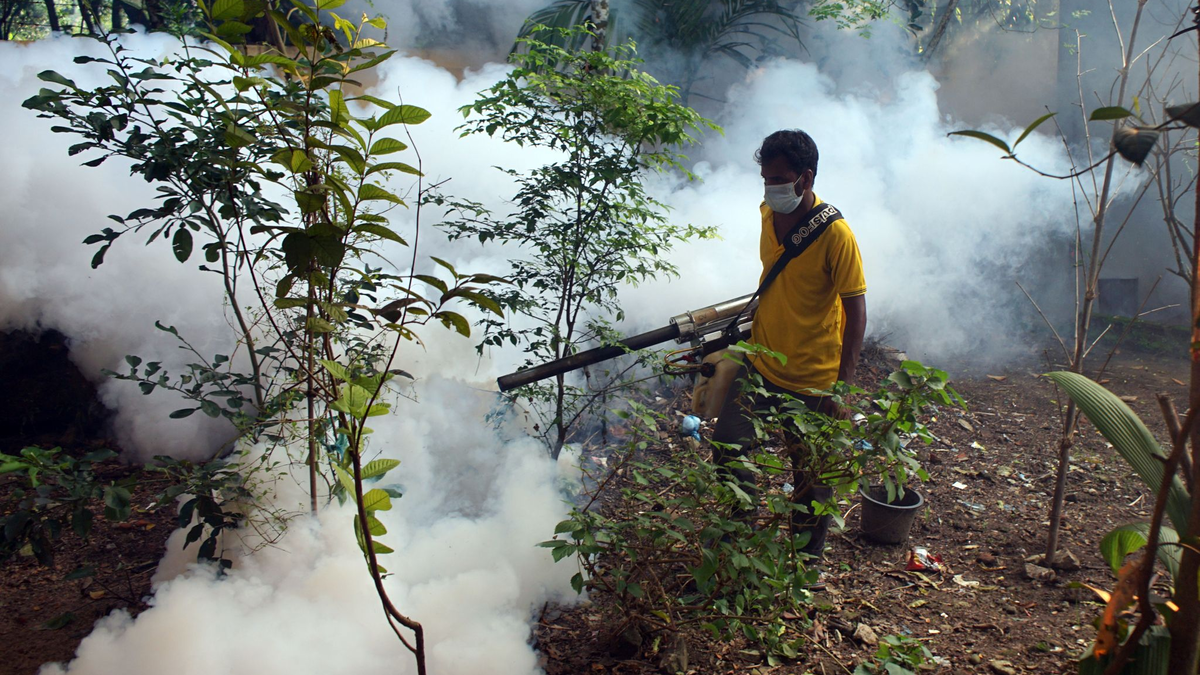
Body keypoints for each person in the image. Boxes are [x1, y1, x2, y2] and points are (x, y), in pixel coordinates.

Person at [709, 129, 867, 561]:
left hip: (814, 380)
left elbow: (856, 312)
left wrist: (842, 387)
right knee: (728, 446)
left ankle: (802, 570)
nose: (770, 189)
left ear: (806, 178)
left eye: (779, 180)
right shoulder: (767, 212)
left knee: (811, 481)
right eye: (765, 179)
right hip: (761, 363)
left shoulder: (837, 235)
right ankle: (736, 541)